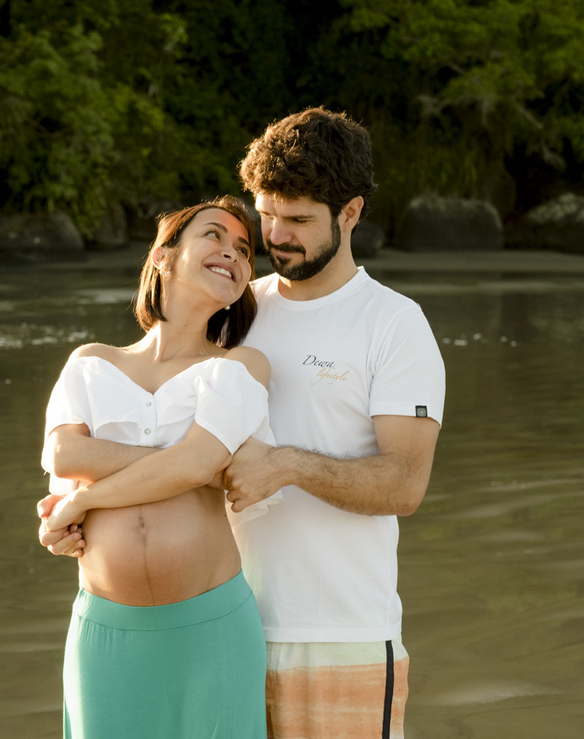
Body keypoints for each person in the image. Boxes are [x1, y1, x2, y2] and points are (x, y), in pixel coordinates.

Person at [40, 107, 445, 739]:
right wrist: (79, 508)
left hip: (337, 634)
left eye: (300, 219)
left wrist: (285, 465)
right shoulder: (238, 306)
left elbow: (405, 485)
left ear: (351, 213)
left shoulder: (393, 324)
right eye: (268, 215)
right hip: (222, 622)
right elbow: (146, 413)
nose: (277, 235)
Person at [41, 197, 273, 739]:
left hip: (212, 628)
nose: (232, 253)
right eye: (214, 236)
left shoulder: (240, 366)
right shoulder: (90, 363)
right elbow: (64, 456)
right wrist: (190, 468)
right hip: (105, 631)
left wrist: (85, 499)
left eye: (244, 250)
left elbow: (197, 461)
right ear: (164, 258)